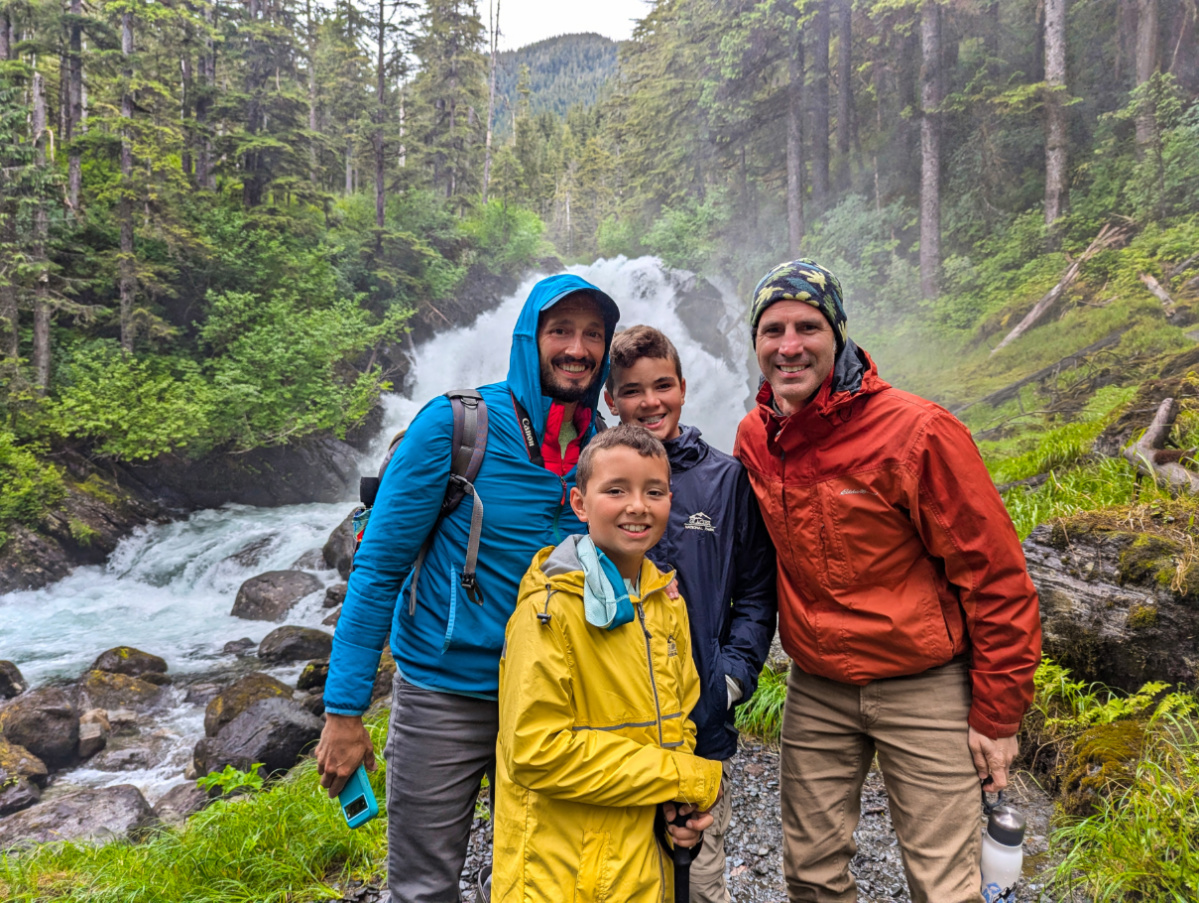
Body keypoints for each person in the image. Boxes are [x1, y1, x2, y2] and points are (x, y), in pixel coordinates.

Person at [733, 259, 1042, 903]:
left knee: (943, 883)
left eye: (808, 327)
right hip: (816, 685)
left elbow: (996, 576)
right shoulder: (755, 438)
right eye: (773, 330)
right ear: (756, 342)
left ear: (838, 335)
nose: (789, 345)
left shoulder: (918, 431)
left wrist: (997, 713)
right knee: (812, 874)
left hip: (923, 684)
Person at [316, 274, 620, 903]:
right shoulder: (455, 428)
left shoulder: (603, 451)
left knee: (545, 882)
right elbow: (377, 570)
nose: (577, 348)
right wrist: (344, 712)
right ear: (528, 339)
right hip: (444, 696)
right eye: (560, 330)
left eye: (593, 334)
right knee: (424, 888)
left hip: (553, 704)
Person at [493, 424, 725, 903]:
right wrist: (681, 776)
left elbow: (679, 720)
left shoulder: (665, 600)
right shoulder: (550, 610)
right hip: (564, 876)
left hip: (642, 861)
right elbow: (536, 751)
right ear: (579, 503)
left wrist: (678, 812)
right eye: (615, 490)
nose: (637, 506)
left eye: (653, 491)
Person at [603, 325, 777, 903]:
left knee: (697, 884)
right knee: (617, 879)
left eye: (662, 385)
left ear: (683, 387)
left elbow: (756, 594)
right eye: (632, 391)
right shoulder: (594, 479)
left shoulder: (726, 481)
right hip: (614, 731)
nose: (649, 402)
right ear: (611, 401)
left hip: (701, 728)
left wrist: (727, 681)